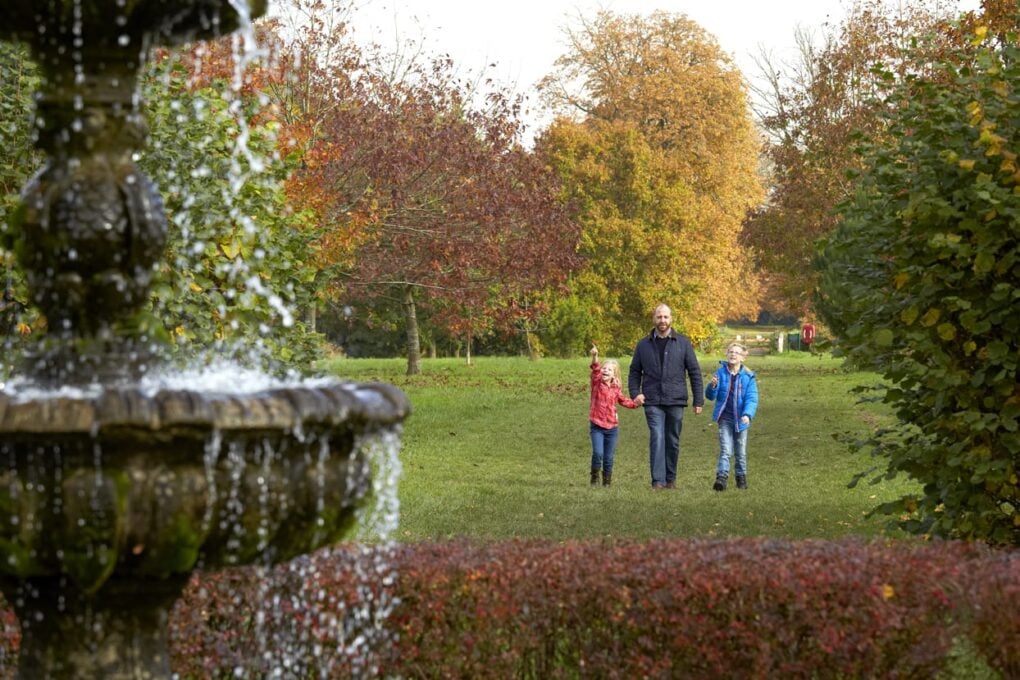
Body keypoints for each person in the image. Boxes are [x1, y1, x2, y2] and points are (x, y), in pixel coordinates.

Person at [628, 304, 704, 489]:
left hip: (676, 399)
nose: (662, 320)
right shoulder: (643, 345)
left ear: (671, 319)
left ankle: (670, 479)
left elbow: (694, 372)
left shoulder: (683, 343)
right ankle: (658, 481)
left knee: (672, 440)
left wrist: (698, 400)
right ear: (654, 319)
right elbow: (634, 371)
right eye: (659, 317)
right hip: (652, 399)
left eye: (665, 317)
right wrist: (635, 393)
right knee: (657, 436)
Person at [705, 342, 759, 491]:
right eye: (731, 352)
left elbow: (752, 399)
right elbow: (710, 396)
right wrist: (712, 386)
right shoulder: (720, 373)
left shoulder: (748, 376)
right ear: (727, 355)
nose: (733, 354)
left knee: (740, 452)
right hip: (725, 419)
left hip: (741, 420)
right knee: (726, 450)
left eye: (737, 352)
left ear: (743, 358)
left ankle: (741, 478)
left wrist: (747, 414)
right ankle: (721, 479)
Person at [588, 345, 643, 487]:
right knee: (598, 453)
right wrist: (595, 356)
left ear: (614, 375)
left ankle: (607, 482)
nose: (605, 370)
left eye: (609, 369)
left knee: (608, 457)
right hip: (597, 426)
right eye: (604, 368)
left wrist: (636, 403)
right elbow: (595, 369)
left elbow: (623, 401)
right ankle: (594, 476)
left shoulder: (616, 387)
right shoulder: (596, 382)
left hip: (612, 428)